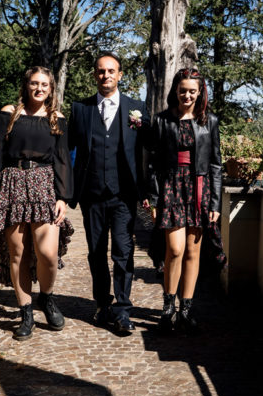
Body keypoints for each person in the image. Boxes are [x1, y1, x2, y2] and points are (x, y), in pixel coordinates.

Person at [0, 66, 74, 341]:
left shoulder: (56, 118)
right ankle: (26, 312)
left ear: (51, 88)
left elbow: (62, 159)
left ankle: (46, 298)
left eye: (44, 84)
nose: (39, 89)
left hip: (44, 184)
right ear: (26, 85)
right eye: (35, 83)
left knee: (47, 252)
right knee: (18, 252)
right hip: (12, 183)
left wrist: (63, 197)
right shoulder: (8, 114)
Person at [68, 52, 148, 335]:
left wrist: (148, 190)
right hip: (91, 194)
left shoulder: (136, 109)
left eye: (111, 71)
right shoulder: (81, 109)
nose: (106, 76)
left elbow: (146, 152)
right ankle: (102, 304)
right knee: (96, 253)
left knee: (123, 252)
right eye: (101, 71)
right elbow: (69, 151)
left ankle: (123, 310)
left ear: (120, 75)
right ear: (95, 75)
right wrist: (67, 192)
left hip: (124, 195)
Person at [145, 68, 224, 332]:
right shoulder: (162, 120)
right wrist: (154, 199)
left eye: (192, 90)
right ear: (175, 91)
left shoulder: (209, 121)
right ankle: (168, 307)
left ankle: (186, 309)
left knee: (193, 252)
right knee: (175, 250)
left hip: (199, 189)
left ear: (200, 92)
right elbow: (153, 164)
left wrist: (215, 204)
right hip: (171, 187)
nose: (187, 95)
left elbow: (215, 165)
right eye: (182, 90)